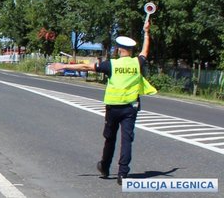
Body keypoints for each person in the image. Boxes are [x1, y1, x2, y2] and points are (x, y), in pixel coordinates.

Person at [50, 21, 156, 185]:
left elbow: (86, 67)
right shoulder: (137, 63)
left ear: (119, 49)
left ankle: (105, 167)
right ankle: (123, 175)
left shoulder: (111, 65)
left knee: (110, 138)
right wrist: (146, 33)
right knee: (127, 140)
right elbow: (145, 51)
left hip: (113, 108)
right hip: (130, 108)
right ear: (131, 50)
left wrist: (63, 66)